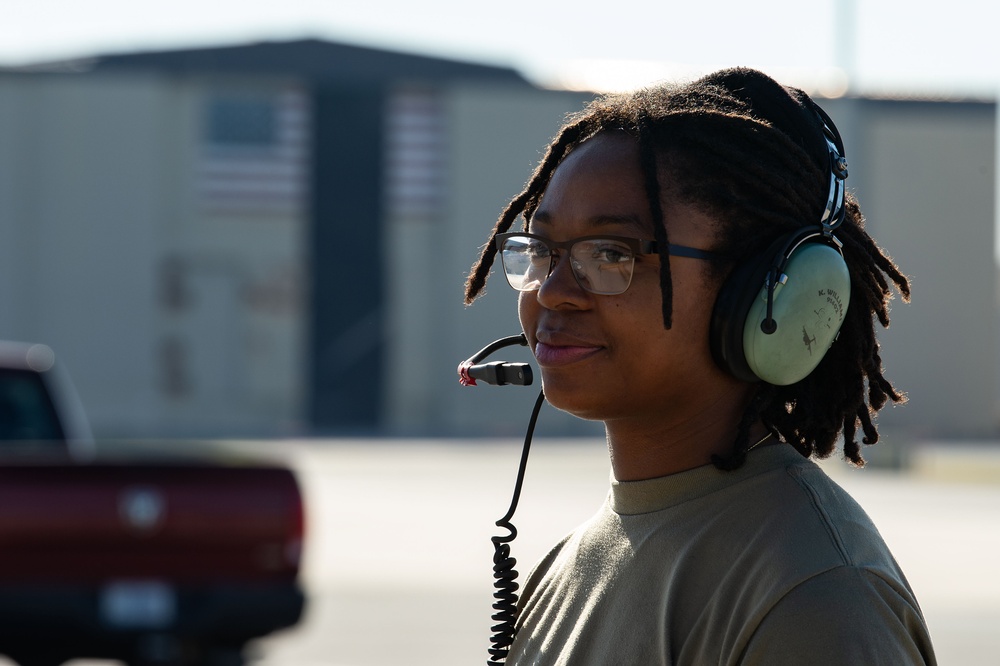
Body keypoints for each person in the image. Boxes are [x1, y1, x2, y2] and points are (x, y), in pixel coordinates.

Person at [462, 68, 936, 665]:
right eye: (541, 250)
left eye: (611, 253)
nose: (552, 291)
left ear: (762, 294)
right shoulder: (566, 569)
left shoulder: (814, 596)